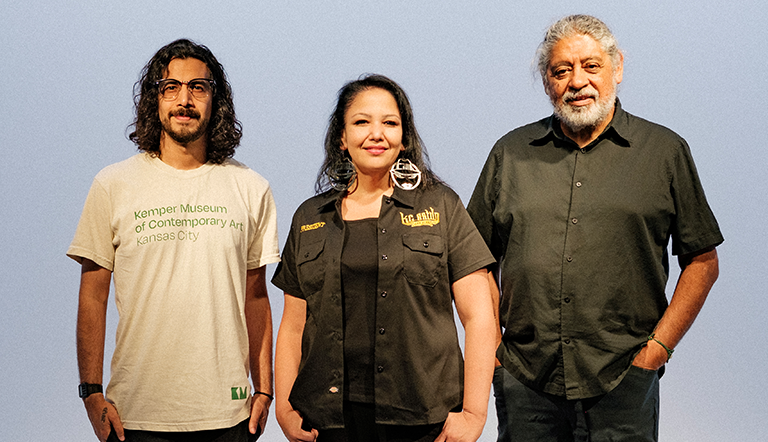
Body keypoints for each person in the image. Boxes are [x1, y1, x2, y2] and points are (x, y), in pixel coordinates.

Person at [467, 15, 723, 442]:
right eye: (561, 70)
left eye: (590, 65)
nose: (577, 81)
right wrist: (493, 348)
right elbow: (474, 262)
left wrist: (656, 350)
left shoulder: (664, 151)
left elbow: (703, 261)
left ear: (617, 68)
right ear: (547, 82)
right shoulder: (509, 153)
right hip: (526, 380)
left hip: (624, 379)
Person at [68, 39, 280, 442]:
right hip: (134, 416)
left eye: (198, 87)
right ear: (155, 100)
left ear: (215, 100)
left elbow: (256, 296)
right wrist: (91, 393)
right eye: (171, 88)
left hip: (229, 416)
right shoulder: (113, 185)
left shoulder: (250, 187)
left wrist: (264, 389)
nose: (185, 99)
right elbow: (92, 296)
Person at [272, 74, 497, 442]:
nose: (376, 134)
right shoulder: (310, 217)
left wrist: (474, 413)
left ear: (404, 138)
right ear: (342, 138)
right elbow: (293, 327)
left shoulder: (442, 206)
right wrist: (284, 408)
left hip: (422, 419)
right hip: (328, 422)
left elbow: (479, 317)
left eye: (389, 123)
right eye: (362, 122)